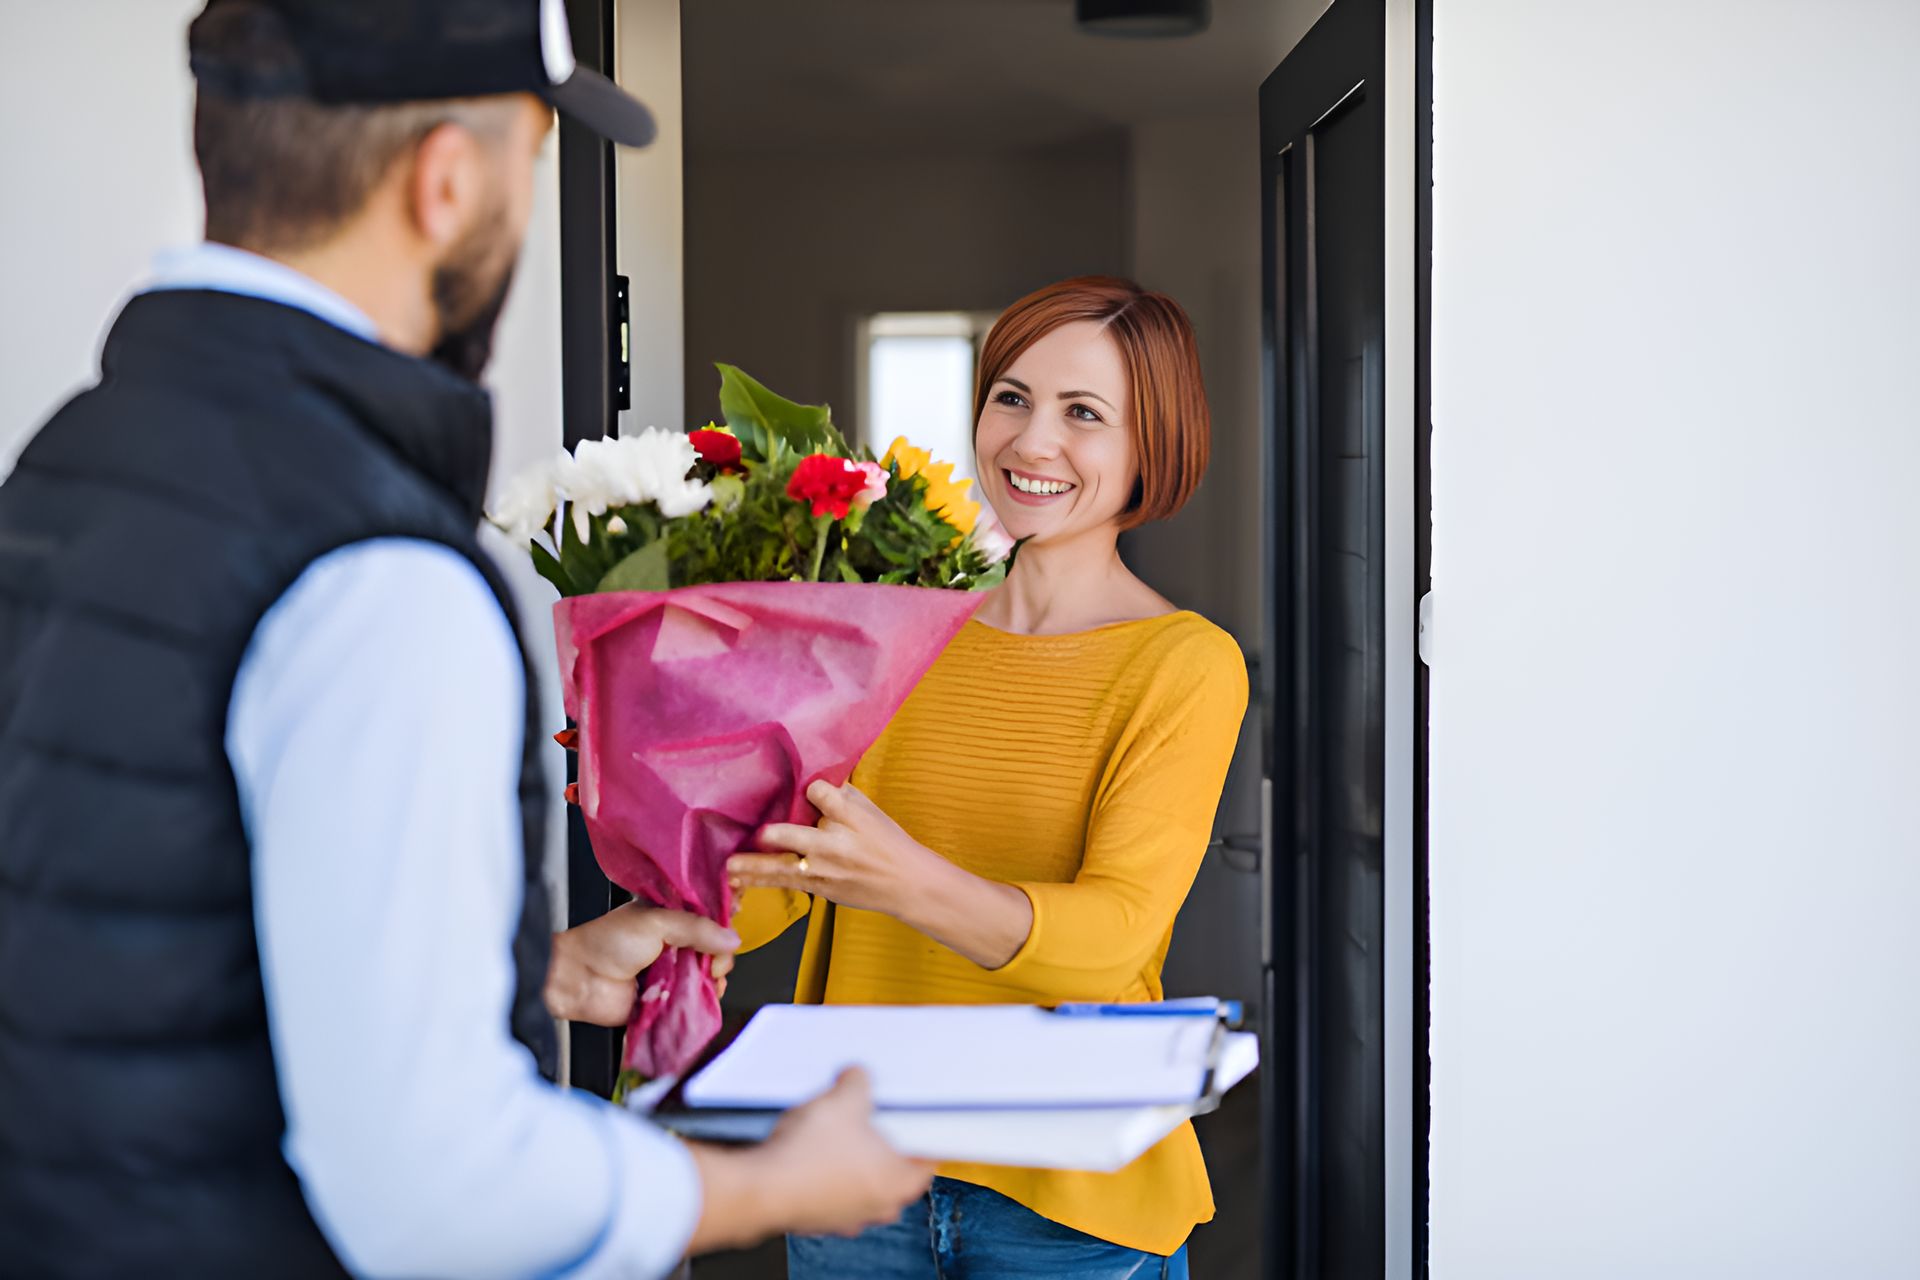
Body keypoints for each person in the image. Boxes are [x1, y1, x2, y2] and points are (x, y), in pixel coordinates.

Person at [0, 2, 929, 1276]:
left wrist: (523, 975)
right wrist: (773, 1182)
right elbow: (435, 1189)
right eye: (532, 160)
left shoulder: (73, 462)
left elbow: (129, 920)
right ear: (445, 180)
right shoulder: (373, 568)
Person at [727, 276, 1249, 1278]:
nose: (1030, 440)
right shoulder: (898, 629)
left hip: (1069, 1196)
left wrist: (902, 879)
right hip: (856, 1172)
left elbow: (1110, 940)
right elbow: (794, 875)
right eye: (1011, 396)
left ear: (1154, 449)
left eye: (1084, 413)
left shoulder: (1182, 662)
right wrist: (671, 868)